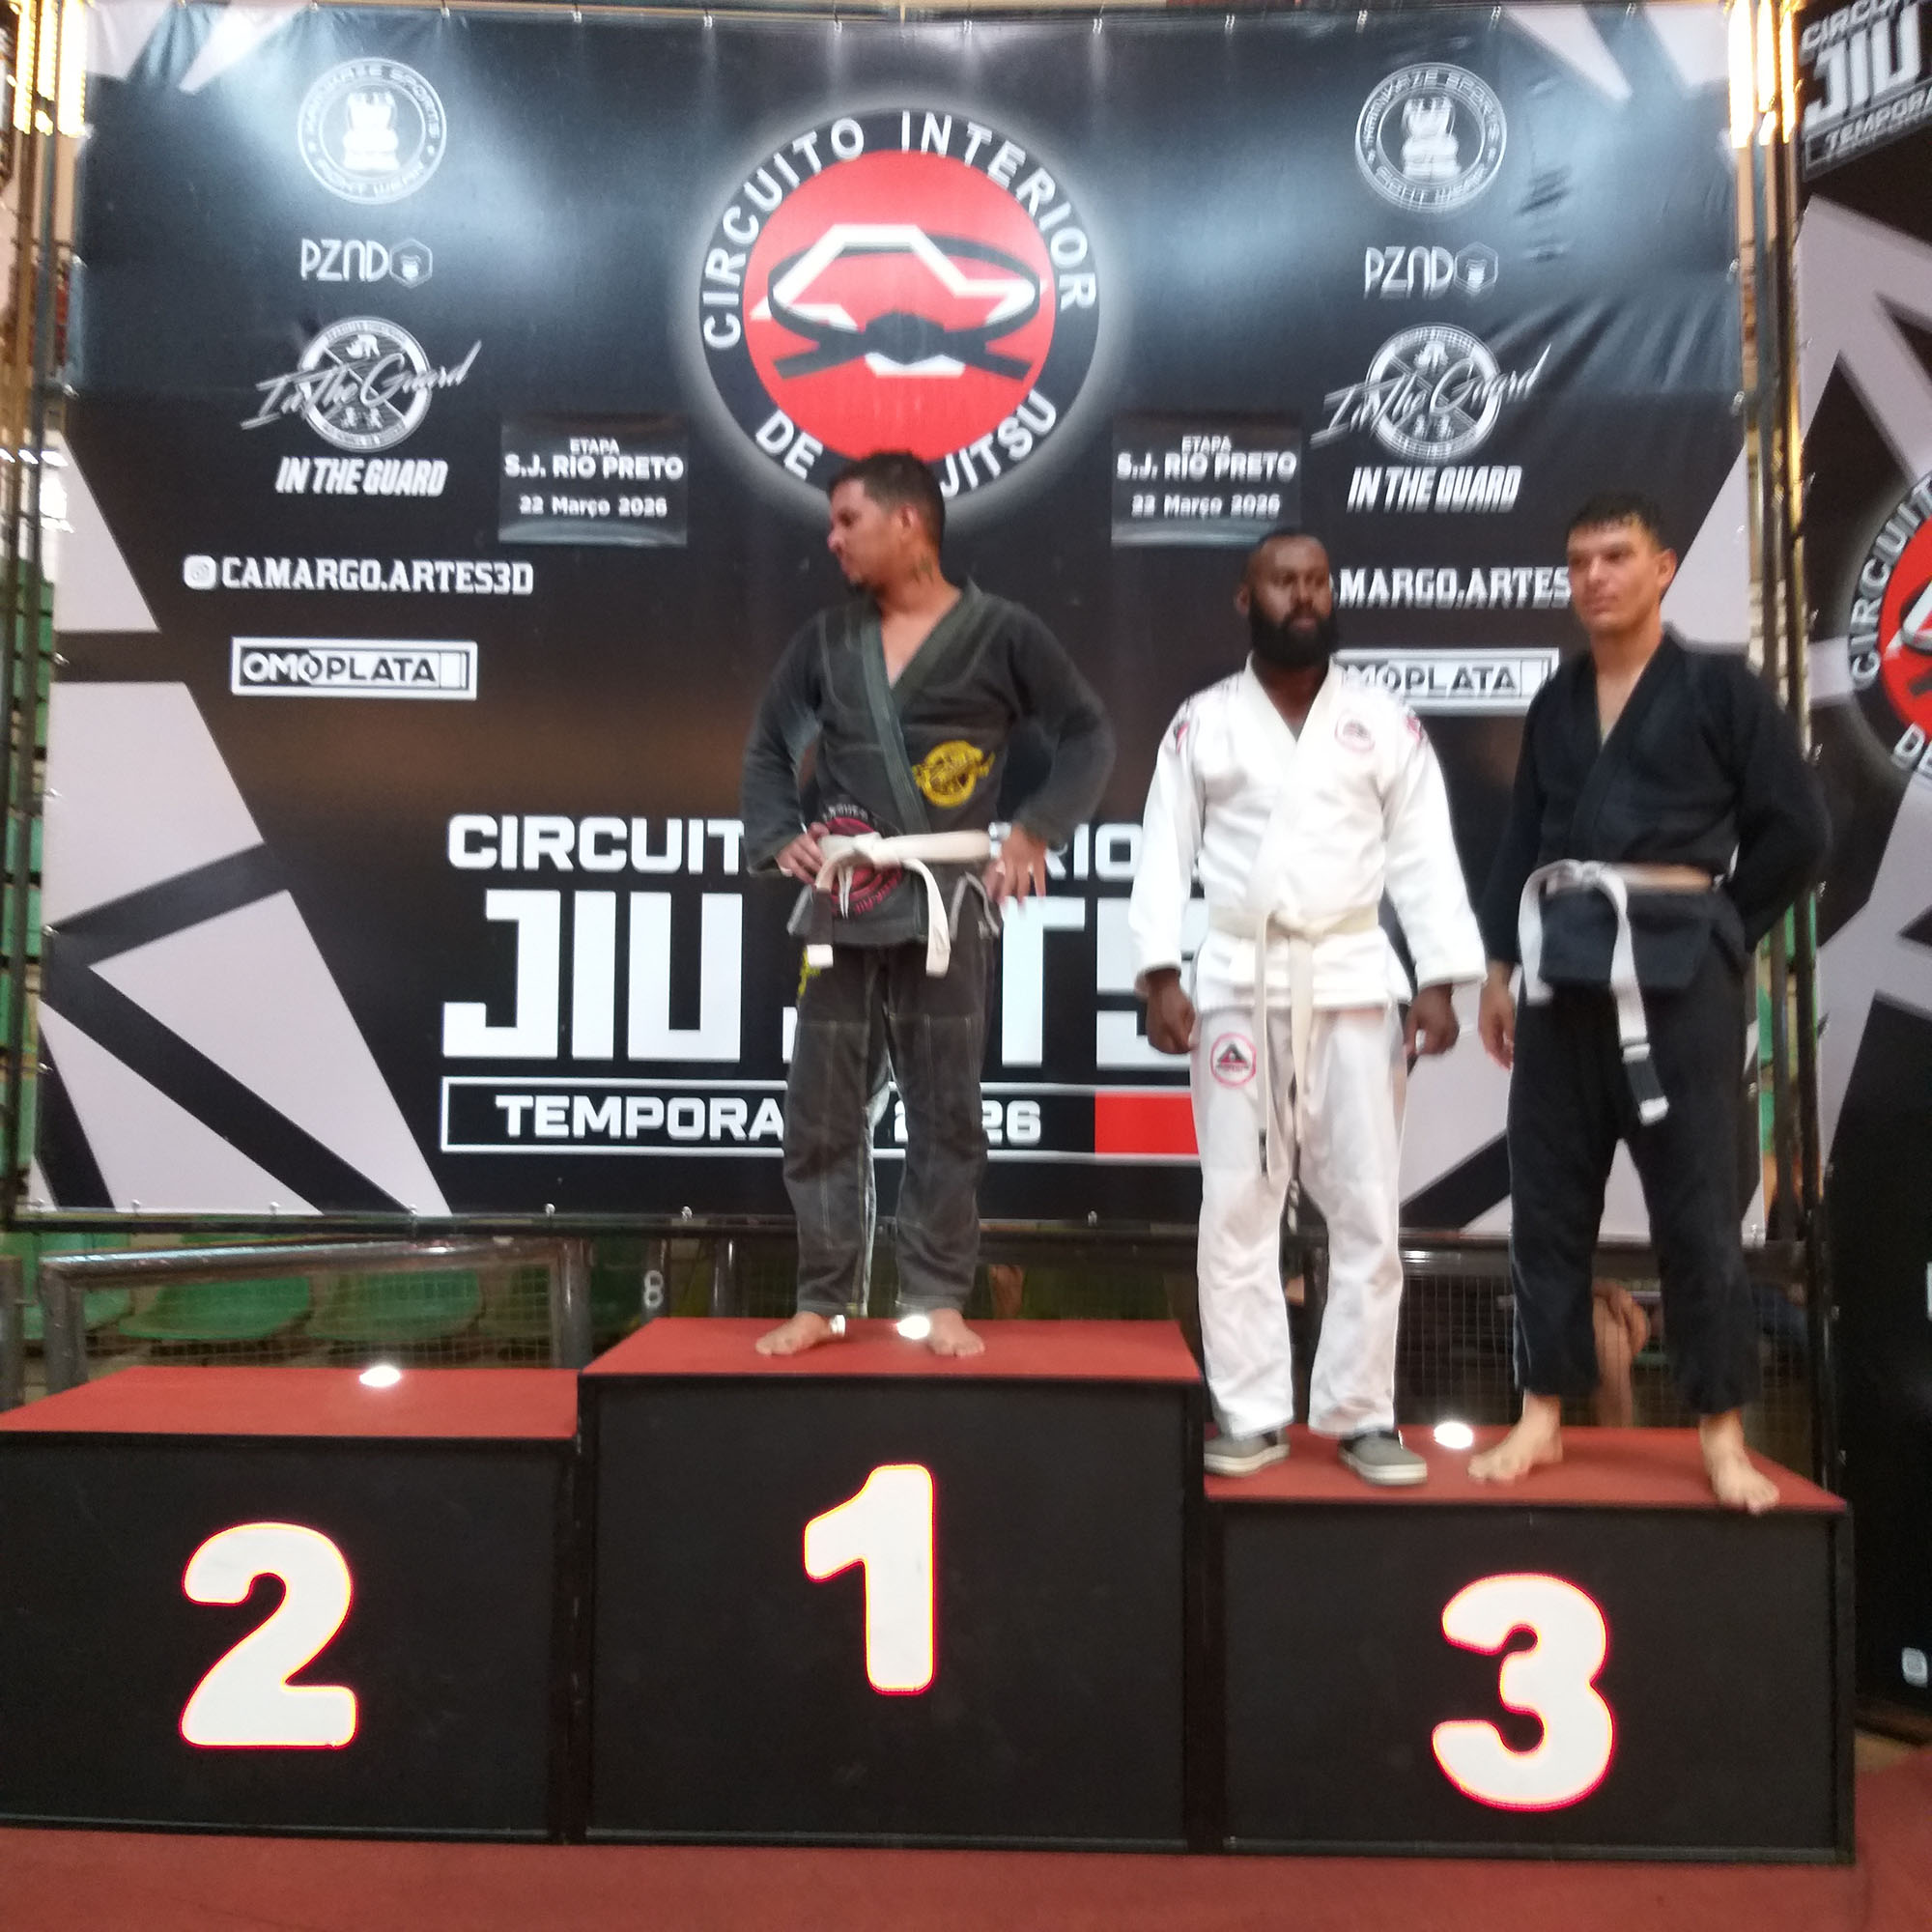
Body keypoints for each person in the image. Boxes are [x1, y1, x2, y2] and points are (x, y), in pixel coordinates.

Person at [1470, 492, 1829, 1511]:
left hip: (1678, 983)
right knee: (1545, 1203)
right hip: (1562, 976)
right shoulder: (1556, 700)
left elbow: (1799, 832)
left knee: (1698, 1210)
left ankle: (1720, 1430)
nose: (1595, 576)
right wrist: (1497, 968)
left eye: (1616, 556)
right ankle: (1542, 1413)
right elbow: (1522, 839)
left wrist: (1720, 927)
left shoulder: (1720, 688)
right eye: (1580, 560)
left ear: (1662, 568)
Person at [1129, 528, 1485, 1483]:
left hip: (1354, 980)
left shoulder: (1382, 720)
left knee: (1365, 1206)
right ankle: (1249, 1412)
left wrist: (1441, 975)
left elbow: (1423, 851)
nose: (1303, 596)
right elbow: (1164, 848)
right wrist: (1159, 971)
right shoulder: (1203, 722)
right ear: (1246, 599)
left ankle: (1362, 1413)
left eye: (1318, 580)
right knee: (1236, 1203)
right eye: (1283, 581)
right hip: (1237, 983)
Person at [741, 451, 1114, 1357]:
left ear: (908, 522)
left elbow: (1087, 734)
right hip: (844, 905)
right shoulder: (826, 641)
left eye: (848, 520)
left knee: (947, 1111)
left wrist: (1036, 831)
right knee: (821, 1113)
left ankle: (939, 1295)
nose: (832, 539)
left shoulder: (1003, 635)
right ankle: (824, 1297)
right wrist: (780, 831)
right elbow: (768, 746)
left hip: (947, 904)